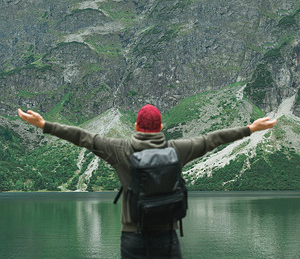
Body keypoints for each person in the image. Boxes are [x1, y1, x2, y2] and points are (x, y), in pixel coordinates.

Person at [18, 105, 277, 259]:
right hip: (167, 237)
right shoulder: (178, 149)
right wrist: (250, 129)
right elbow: (212, 139)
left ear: (136, 126)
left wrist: (44, 124)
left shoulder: (119, 149)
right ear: (161, 126)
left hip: (133, 237)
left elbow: (83, 137)